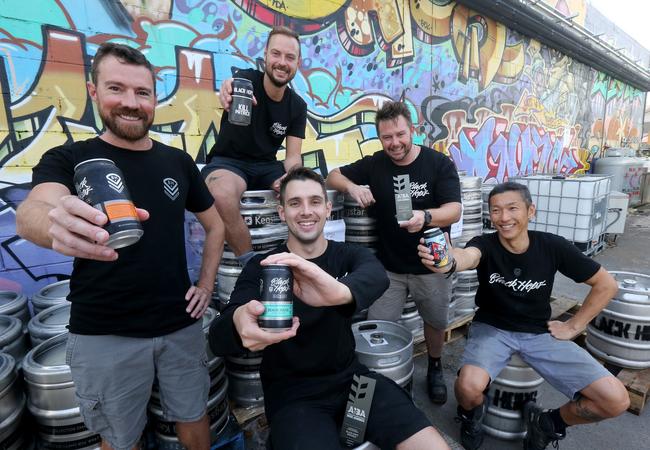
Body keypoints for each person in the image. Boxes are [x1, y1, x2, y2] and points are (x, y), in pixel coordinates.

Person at [16, 43, 224, 450]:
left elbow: (215, 227)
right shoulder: (70, 157)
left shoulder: (178, 161)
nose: (131, 103)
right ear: (94, 93)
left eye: (142, 93)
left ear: (154, 98)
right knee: (119, 437)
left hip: (179, 326)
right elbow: (33, 211)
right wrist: (52, 226)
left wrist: (205, 284)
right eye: (117, 89)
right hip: (104, 334)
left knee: (194, 417)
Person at [209, 167, 450, 450]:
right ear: (282, 212)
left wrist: (336, 291)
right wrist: (239, 320)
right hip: (294, 397)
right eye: (295, 203)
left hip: (353, 383)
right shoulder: (264, 266)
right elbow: (218, 337)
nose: (306, 211)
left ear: (328, 207)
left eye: (314, 201)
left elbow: (376, 276)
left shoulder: (347, 255)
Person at [418, 181, 630, 450]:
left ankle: (548, 424)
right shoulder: (485, 243)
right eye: (495, 210)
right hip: (492, 329)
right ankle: (472, 415)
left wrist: (575, 325)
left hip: (539, 332)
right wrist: (449, 260)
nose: (503, 218)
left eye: (512, 208)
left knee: (616, 400)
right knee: (468, 388)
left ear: (531, 211)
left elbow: (606, 284)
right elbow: (468, 256)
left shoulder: (552, 246)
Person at [326, 101, 462, 405]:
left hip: (432, 264)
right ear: (380, 137)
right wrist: (351, 187)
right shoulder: (375, 164)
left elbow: (454, 210)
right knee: (379, 325)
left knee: (436, 321)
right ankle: (381, 380)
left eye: (400, 134)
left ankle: (435, 366)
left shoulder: (438, 164)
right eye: (387, 137)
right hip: (389, 268)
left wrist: (425, 217)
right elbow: (332, 175)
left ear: (412, 130)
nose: (395, 143)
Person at [203, 25, 307, 267]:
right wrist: (228, 90)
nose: (282, 62)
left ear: (297, 63)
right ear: (266, 56)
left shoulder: (298, 106)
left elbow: (293, 157)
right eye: (276, 54)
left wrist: (290, 178)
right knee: (221, 194)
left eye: (290, 57)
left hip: (267, 166)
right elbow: (232, 85)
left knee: (302, 192)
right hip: (229, 162)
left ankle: (301, 261)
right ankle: (251, 265)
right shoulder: (247, 81)